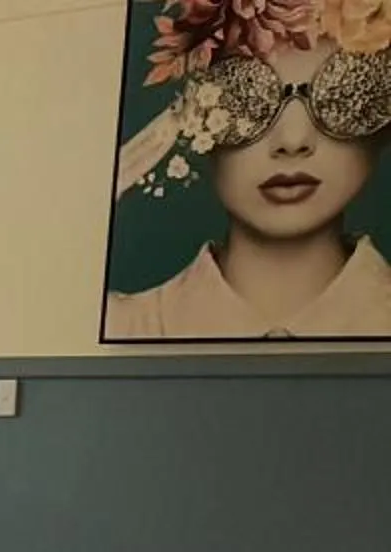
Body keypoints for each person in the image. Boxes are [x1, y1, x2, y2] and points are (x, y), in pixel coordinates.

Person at [108, 37, 391, 339]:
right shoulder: (121, 325)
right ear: (193, 119)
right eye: (245, 97)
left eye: (343, 95)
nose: (292, 142)